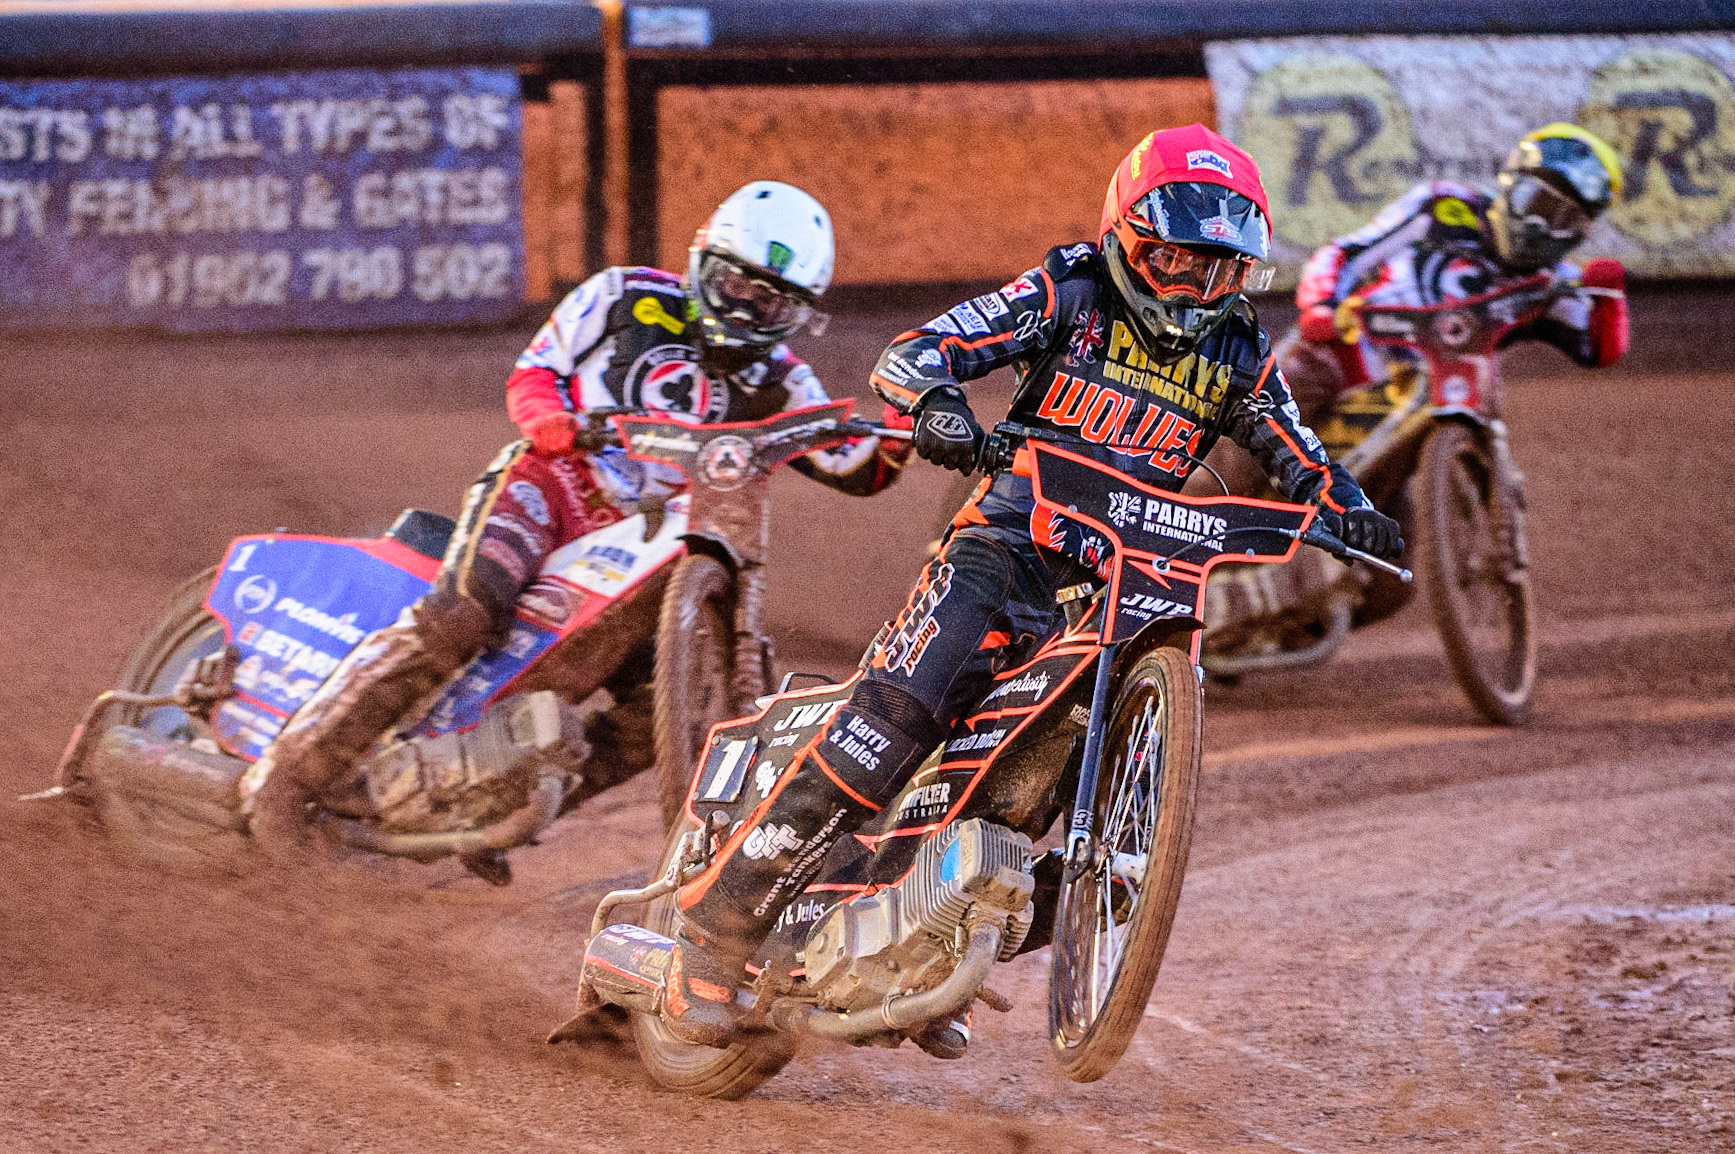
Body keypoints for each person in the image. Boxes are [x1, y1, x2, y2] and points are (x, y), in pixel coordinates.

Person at [641, 125, 1404, 1046]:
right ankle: (710, 943)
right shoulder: (1069, 290)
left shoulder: (1240, 350)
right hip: (1004, 547)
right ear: (1127, 238)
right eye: (1173, 262)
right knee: (897, 718)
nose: (1193, 289)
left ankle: (930, 945)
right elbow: (920, 349)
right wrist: (935, 404)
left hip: (1117, 581)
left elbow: (1297, 453)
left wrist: (1349, 509)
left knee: (1052, 794)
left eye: (1216, 271)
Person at [243, 181, 911, 865]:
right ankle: (288, 777)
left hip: (654, 543)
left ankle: (502, 803)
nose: (744, 306)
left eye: (768, 300)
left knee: (659, 714)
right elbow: (535, 374)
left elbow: (862, 466)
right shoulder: (624, 296)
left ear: (795, 314)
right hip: (556, 485)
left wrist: (914, 399)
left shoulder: (782, 380)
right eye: (733, 284)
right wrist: (551, 423)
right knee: (463, 615)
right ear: (701, 259)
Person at [1270, 123, 1628, 464]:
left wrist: (1608, 295)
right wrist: (1320, 307)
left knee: (1394, 526)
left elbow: (1597, 349)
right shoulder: (1443, 204)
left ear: (1581, 232)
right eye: (1540, 203)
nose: (1542, 226)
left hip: (1430, 402)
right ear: (1512, 180)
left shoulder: (1551, 282)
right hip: (1345, 351)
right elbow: (1345, 253)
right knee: (1267, 419)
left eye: (1565, 220)